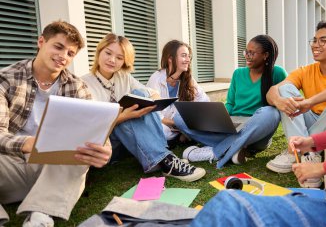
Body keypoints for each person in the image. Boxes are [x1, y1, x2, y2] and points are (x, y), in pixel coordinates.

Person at [190, 7, 326, 227]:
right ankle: (304, 153)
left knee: (228, 204)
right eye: (315, 40)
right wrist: (309, 142)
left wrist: (323, 167)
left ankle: (227, 150)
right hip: (315, 138)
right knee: (280, 98)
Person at [0, 21, 112, 227]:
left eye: (70, 53)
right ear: (41, 42)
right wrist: (29, 143)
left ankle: (40, 216)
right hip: (10, 169)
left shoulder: (77, 87)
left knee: (79, 151)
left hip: (54, 171)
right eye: (58, 47)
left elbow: (97, 131)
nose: (63, 56)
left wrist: (105, 150)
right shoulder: (6, 79)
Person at [81, 33, 206, 183]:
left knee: (140, 96)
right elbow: (92, 126)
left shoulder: (124, 77)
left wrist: (151, 99)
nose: (112, 60)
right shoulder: (83, 84)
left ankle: (162, 157)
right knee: (122, 111)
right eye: (108, 53)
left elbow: (150, 93)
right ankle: (166, 160)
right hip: (106, 145)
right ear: (99, 51)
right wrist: (124, 115)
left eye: (119, 58)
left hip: (127, 144)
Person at [265, 20, 326, 188]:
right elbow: (273, 90)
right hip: (310, 123)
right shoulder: (306, 70)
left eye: (323, 40)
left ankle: (306, 150)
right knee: (285, 89)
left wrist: (311, 101)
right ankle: (305, 153)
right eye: (314, 40)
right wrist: (280, 102)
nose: (316, 45)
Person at [174, 35, 287, 168]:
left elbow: (284, 103)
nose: (247, 56)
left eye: (252, 53)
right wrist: (221, 120)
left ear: (265, 55)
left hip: (256, 131)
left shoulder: (278, 73)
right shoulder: (238, 73)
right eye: (246, 51)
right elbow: (231, 104)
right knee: (179, 118)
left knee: (271, 113)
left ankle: (216, 151)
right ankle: (237, 149)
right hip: (232, 126)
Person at [146, 40, 209, 145]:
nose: (188, 60)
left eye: (189, 56)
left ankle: (184, 136)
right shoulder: (156, 78)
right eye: (184, 56)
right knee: (160, 130)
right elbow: (153, 113)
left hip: (180, 125)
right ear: (170, 58)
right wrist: (176, 124)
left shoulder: (188, 79)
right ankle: (183, 136)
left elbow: (204, 101)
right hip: (165, 125)